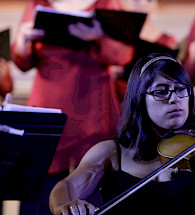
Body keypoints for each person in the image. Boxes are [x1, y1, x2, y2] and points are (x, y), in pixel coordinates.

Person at [49, 53, 195, 215]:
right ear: (139, 99)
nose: (174, 99)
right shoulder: (111, 153)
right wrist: (64, 206)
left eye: (181, 90)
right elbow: (66, 187)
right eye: (161, 91)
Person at [11, 0, 134, 214]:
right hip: (48, 108)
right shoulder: (38, 3)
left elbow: (124, 55)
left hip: (92, 111)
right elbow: (22, 61)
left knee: (92, 187)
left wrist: (99, 37)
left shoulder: (108, 3)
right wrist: (23, 39)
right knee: (39, 191)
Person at [112, 0, 178, 103]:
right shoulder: (115, 36)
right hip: (119, 98)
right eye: (136, 0)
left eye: (149, 0)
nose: (142, 3)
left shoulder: (167, 41)